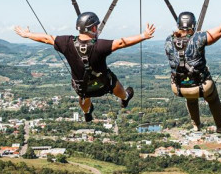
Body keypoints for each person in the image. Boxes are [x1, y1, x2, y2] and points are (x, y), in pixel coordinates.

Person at [15, 12, 155, 122]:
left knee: (83, 96)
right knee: (114, 83)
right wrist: (144, 35)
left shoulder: (67, 43)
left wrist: (27, 34)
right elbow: (122, 43)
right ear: (93, 28)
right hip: (103, 84)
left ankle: (86, 112)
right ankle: (125, 97)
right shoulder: (100, 45)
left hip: (82, 87)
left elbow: (46, 38)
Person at [165, 3, 221, 132]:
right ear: (193, 24)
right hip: (203, 86)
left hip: (178, 88)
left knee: (190, 96)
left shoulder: (168, 40)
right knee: (213, 98)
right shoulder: (198, 38)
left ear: (178, 25)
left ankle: (196, 125)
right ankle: (220, 126)